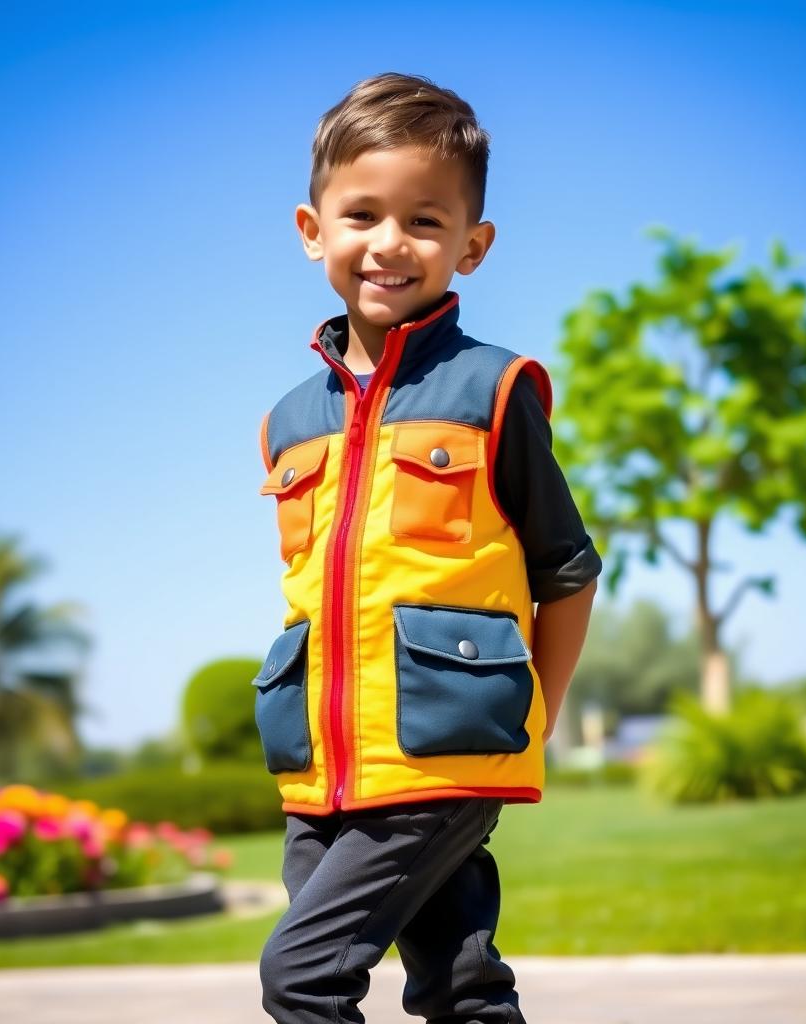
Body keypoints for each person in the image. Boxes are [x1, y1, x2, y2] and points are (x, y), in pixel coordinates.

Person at [253, 71, 602, 1024]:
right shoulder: (287, 423)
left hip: (445, 755)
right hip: (320, 769)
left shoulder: (495, 391)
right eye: (361, 214)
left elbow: (566, 568)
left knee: (302, 979)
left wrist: (539, 712)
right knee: (461, 987)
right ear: (312, 229)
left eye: (424, 221)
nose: (388, 244)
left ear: (471, 245)